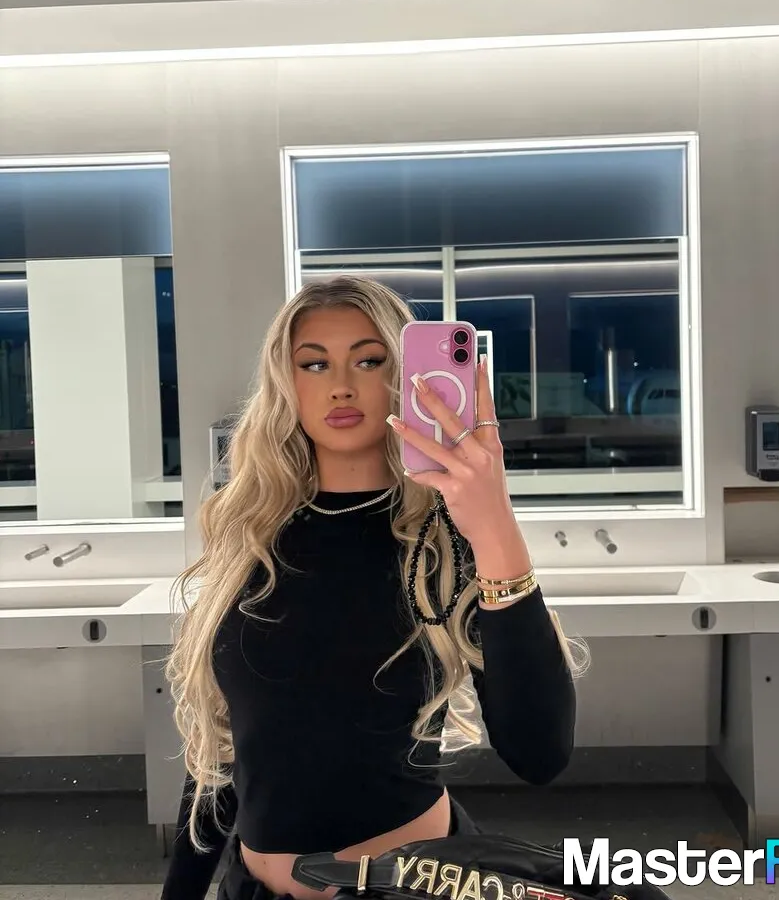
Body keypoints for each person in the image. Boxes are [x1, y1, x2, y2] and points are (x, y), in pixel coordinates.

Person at [161, 275, 588, 900]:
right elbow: (224, 752)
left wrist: (495, 524)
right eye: (314, 364)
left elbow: (540, 754)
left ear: (405, 376)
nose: (341, 384)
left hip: (402, 887)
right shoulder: (249, 534)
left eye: (369, 360)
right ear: (286, 384)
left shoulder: (444, 542)